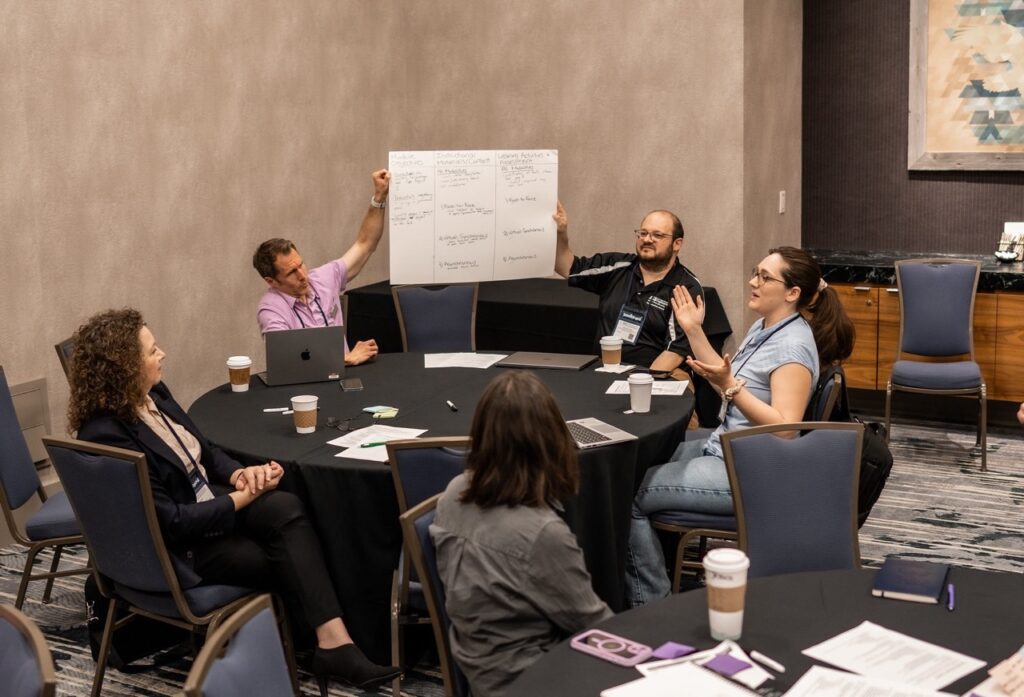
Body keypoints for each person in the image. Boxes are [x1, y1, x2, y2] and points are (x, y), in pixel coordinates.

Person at [68, 308, 401, 691]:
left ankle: (331, 643)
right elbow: (172, 522)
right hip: (179, 548)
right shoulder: (107, 434)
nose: (163, 354)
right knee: (285, 554)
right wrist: (244, 496)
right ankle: (320, 646)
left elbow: (205, 450)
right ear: (124, 366)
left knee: (286, 507)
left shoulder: (153, 394)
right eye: (152, 350)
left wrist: (240, 474)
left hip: (207, 505)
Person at [625, 247, 855, 606]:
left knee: (630, 496)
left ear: (792, 293)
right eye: (755, 272)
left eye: (765, 277)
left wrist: (731, 386)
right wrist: (693, 331)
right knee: (635, 462)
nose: (753, 282)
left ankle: (651, 604)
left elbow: (784, 428)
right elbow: (725, 374)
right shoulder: (768, 326)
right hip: (726, 449)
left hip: (752, 471)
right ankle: (660, 571)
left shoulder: (792, 347)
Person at [430, 371, 613, 697]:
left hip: (476, 667)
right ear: (551, 440)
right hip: (537, 678)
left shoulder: (452, 494)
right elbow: (593, 627)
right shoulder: (542, 534)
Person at [253, 169, 389, 365]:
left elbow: (365, 244)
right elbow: (287, 363)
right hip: (303, 392)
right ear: (271, 281)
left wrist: (379, 197)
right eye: (292, 272)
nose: (302, 275)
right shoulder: (271, 310)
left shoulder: (323, 279)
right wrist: (344, 360)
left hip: (344, 379)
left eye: (301, 265)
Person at [553, 202, 704, 373]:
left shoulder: (686, 287)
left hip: (658, 377)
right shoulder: (616, 266)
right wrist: (561, 233)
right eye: (643, 233)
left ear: (677, 244)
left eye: (657, 235)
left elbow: (676, 351)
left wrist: (639, 381)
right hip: (605, 371)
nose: (647, 239)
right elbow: (566, 267)